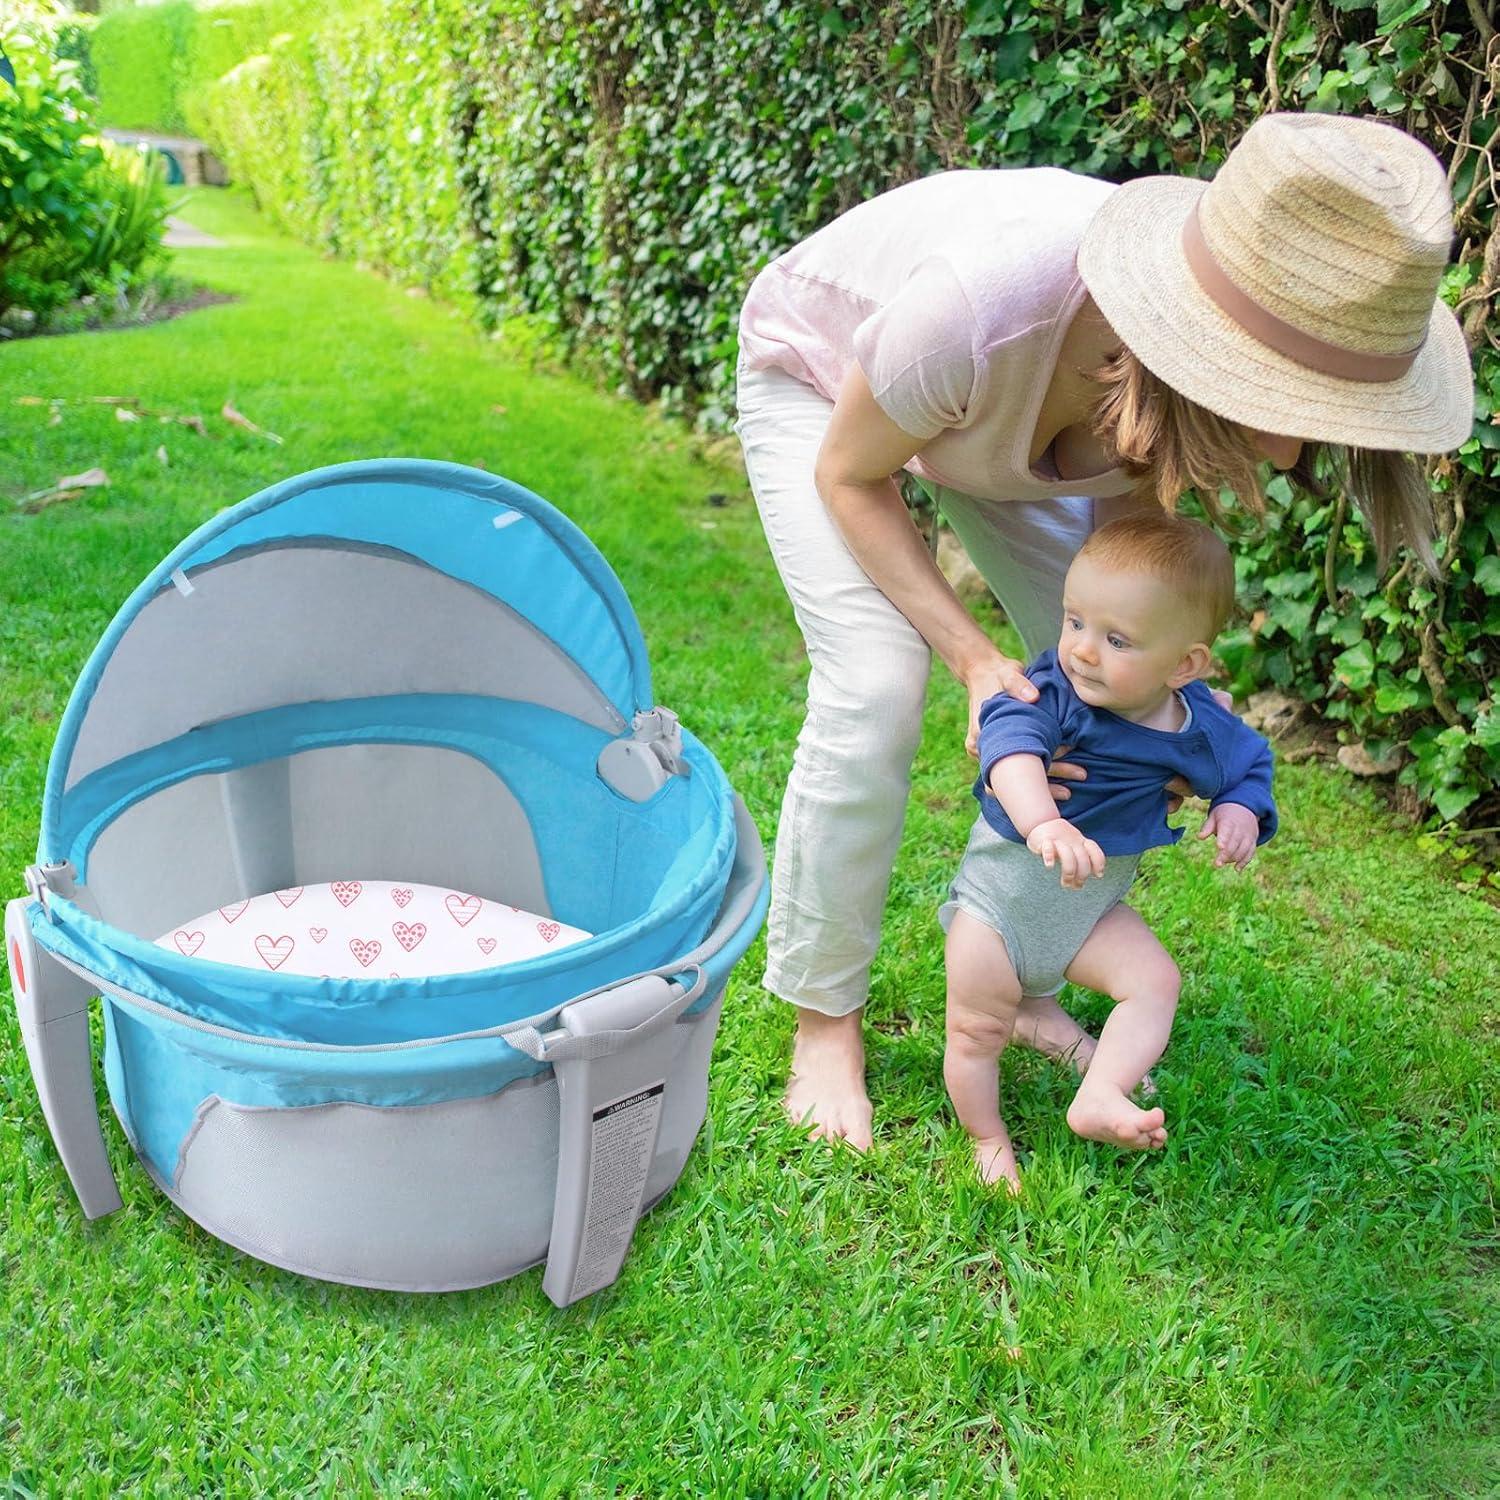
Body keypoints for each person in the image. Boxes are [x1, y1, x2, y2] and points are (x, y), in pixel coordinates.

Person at [732, 110, 1474, 1151]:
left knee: (1118, 690)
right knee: (877, 686)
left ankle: (1014, 972)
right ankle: (823, 1021)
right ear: (1215, 355)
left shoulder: (1170, 383)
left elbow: (1133, 574)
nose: (1292, 449)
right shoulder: (982, 311)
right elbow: (851, 477)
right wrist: (979, 661)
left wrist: (1178, 738)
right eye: (1293, 404)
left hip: (998, 437)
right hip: (827, 394)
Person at [943, 511, 1275, 1190]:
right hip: (999, 908)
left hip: (1089, 912)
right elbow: (1009, 743)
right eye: (1074, 622)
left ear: (1185, 665)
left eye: (1116, 638)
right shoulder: (1057, 695)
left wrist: (1241, 808)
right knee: (976, 1030)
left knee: (1156, 981)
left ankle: (1100, 1094)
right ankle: (986, 1138)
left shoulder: (1198, 727)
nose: (1082, 650)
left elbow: (1249, 765)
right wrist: (1043, 823)